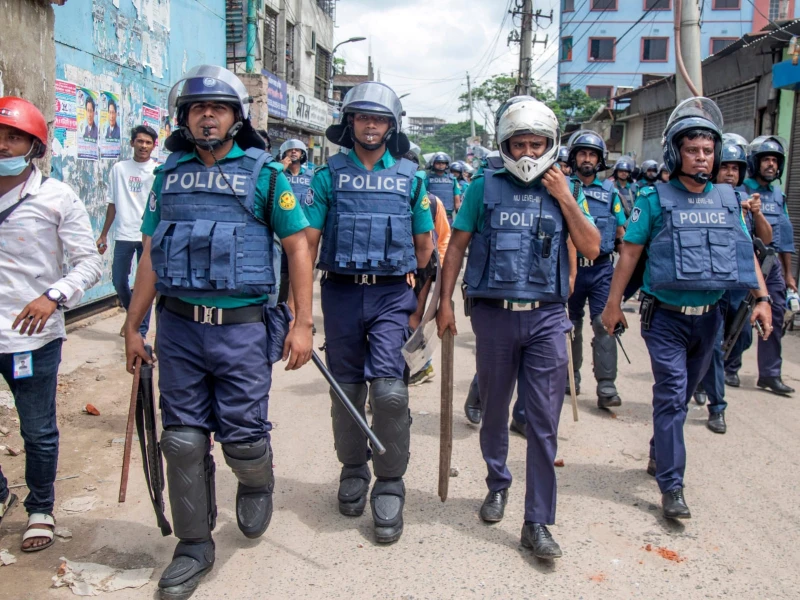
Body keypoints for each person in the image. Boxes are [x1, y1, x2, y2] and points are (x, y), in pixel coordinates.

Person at [122, 65, 314, 600]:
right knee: (181, 439)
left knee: (243, 436)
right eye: (198, 108)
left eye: (219, 108)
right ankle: (193, 545)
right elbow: (152, 256)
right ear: (183, 118)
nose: (208, 116)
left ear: (236, 117)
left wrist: (302, 323)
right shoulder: (169, 175)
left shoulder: (268, 175)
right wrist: (134, 325)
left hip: (243, 331)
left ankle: (256, 481)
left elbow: (298, 248)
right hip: (180, 328)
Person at [437, 96, 600, 559]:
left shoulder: (566, 188)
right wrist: (444, 304)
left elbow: (590, 248)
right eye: (519, 143)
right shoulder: (482, 188)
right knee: (492, 411)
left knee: (543, 423)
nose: (528, 153)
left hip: (547, 317)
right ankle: (497, 482)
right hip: (493, 315)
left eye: (537, 143)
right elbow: (457, 247)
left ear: (551, 145)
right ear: (505, 145)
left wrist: (566, 197)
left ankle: (537, 522)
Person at [601, 97, 772, 520]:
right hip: (665, 320)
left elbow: (744, 254)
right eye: (693, 150)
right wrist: (613, 305)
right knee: (673, 396)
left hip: (710, 319)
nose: (701, 157)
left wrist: (762, 299)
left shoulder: (730, 199)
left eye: (708, 151)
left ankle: (661, 452)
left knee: (680, 398)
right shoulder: (653, 198)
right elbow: (629, 253)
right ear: (676, 153)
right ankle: (672, 488)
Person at [305, 81, 434, 544]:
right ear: (350, 123)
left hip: (389, 297)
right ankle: (354, 468)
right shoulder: (326, 176)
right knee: (346, 388)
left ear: (391, 126)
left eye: (379, 118)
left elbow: (425, 248)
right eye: (362, 117)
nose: (370, 125)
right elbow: (309, 241)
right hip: (339, 294)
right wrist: (297, 308)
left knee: (390, 392)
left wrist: (418, 306)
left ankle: (391, 479)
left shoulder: (410, 178)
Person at [0, 97, 102, 552]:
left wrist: (53, 296)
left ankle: (40, 507)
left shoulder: (57, 197)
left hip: (29, 339)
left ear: (34, 145)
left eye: (13, 137)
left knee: (35, 429)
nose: (3, 146)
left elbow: (88, 263)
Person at [693, 134, 772, 433]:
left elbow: (764, 241)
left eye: (735, 168)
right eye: (725, 167)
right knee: (713, 346)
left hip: (741, 285)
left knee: (741, 340)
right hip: (713, 284)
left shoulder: (747, 201)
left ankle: (702, 376)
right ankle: (717, 406)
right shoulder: (703, 197)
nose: (730, 173)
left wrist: (757, 213)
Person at [566, 130, 627, 408]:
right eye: (582, 153)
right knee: (571, 326)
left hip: (601, 270)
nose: (587, 159)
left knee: (604, 324)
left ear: (600, 160)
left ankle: (606, 385)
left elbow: (622, 233)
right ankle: (570, 378)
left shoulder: (610, 192)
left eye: (592, 154)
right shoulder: (564, 188)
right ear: (574, 157)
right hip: (571, 269)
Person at [742, 135, 796, 395]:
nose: (771, 165)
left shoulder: (779, 195)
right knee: (739, 317)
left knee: (773, 316)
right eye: (766, 160)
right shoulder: (742, 188)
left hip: (772, 264)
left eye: (775, 160)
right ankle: (729, 366)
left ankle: (770, 374)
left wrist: (789, 274)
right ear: (755, 163)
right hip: (747, 259)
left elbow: (784, 237)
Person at [96, 125, 159, 338]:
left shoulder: (157, 171)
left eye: (148, 142)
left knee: (145, 284)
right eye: (140, 141)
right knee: (118, 279)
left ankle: (139, 331)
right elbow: (112, 204)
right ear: (132, 143)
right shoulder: (119, 169)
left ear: (154, 146)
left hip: (147, 235)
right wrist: (104, 233)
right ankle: (134, 314)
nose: (143, 146)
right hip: (124, 233)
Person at [405, 143, 450, 386]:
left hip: (424, 268)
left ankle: (420, 366)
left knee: (414, 318)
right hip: (396, 269)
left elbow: (443, 238)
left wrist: (438, 272)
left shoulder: (432, 202)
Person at [277, 139, 315, 304]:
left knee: (302, 273)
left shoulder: (311, 177)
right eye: (290, 150)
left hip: (304, 232)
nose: (293, 153)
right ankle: (280, 312)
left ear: (302, 154)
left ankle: (299, 312)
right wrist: (280, 169)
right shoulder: (278, 174)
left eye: (297, 150)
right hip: (281, 231)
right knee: (282, 273)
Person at [426, 151, 461, 222]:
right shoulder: (427, 178)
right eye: (438, 163)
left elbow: (457, 200)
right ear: (433, 164)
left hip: (447, 217)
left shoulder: (452, 179)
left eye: (443, 163)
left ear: (446, 165)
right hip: (431, 217)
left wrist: (459, 217)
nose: (441, 165)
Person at [612, 156, 636, 220]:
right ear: (616, 172)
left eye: (626, 171)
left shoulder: (635, 188)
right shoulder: (611, 187)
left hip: (630, 221)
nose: (624, 173)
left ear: (629, 173)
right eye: (621, 171)